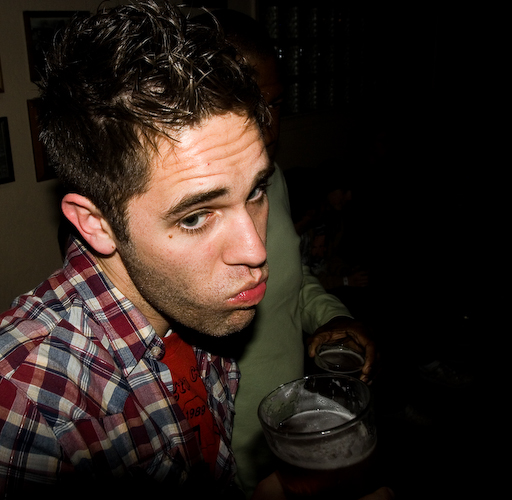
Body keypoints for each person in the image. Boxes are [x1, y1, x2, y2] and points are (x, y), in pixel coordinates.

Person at [0, 2, 270, 498]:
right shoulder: (15, 403)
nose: (254, 250)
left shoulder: (201, 306)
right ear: (96, 224)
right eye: (195, 217)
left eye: (256, 191)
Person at [193, 9, 378, 497]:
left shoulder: (273, 179)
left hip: (290, 425)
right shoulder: (184, 212)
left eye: (275, 104)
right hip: (226, 450)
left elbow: (289, 276)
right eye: (251, 105)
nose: (270, 126)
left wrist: (334, 317)